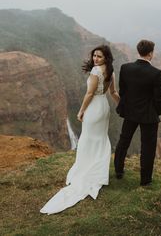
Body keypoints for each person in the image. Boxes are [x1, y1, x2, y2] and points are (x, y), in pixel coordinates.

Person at [40, 45, 119, 215]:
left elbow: (89, 94)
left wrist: (81, 110)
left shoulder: (95, 72)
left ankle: (86, 169)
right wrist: (123, 105)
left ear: (106, 58)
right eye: (94, 56)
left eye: (99, 56)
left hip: (93, 108)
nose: (95, 59)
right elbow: (113, 93)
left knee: (88, 139)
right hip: (104, 108)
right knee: (99, 139)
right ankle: (98, 171)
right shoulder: (111, 72)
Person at [114, 39, 161, 186]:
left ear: (139, 51)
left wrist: (128, 105)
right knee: (148, 148)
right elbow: (159, 98)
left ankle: (118, 170)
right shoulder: (156, 73)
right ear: (150, 53)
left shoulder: (125, 68)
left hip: (130, 112)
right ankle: (145, 180)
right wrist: (157, 112)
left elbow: (123, 91)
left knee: (124, 141)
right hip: (148, 115)